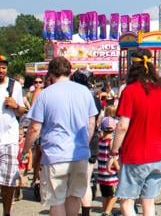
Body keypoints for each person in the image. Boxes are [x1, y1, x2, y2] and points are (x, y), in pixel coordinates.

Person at [23, 57, 98, 216]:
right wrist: (84, 142)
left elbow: (34, 128)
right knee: (74, 196)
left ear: (50, 73)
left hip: (55, 155)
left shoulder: (45, 94)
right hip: (80, 154)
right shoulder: (84, 91)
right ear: (69, 71)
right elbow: (91, 123)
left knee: (56, 200)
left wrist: (25, 150)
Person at [108, 49, 161, 216]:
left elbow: (122, 126)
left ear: (132, 67)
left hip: (135, 154)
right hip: (158, 155)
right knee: (148, 203)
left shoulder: (130, 91)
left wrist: (114, 150)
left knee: (127, 202)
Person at [71, 69, 103, 216]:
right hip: (92, 141)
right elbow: (99, 117)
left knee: (74, 182)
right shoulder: (93, 98)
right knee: (86, 179)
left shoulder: (73, 97)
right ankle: (85, 212)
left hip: (76, 140)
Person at [0, 56, 26, 215]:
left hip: (9, 139)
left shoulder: (13, 85)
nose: (1, 70)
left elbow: (22, 110)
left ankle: (7, 212)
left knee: (8, 180)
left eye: (3, 67)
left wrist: (15, 105)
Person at [96, 116, 119, 216]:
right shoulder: (112, 142)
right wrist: (118, 167)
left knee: (105, 195)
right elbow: (112, 157)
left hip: (101, 174)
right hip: (111, 175)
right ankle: (107, 212)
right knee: (115, 194)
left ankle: (104, 210)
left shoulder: (100, 140)